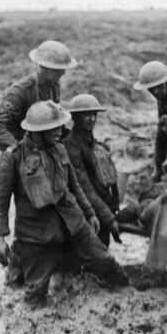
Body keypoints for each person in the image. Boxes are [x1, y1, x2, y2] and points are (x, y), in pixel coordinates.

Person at [0, 100, 128, 307]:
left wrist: (90, 214)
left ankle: (128, 298)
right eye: (53, 128)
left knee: (107, 264)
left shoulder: (60, 149)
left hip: (74, 225)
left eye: (59, 126)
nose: (60, 131)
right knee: (35, 297)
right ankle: (19, 269)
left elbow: (75, 186)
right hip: (37, 236)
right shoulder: (12, 159)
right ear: (37, 132)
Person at [0, 40, 77, 151]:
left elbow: (55, 121)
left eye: (63, 69)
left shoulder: (53, 86)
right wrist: (19, 151)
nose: (63, 73)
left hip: (45, 149)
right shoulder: (20, 92)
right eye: (57, 69)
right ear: (42, 66)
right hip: (23, 153)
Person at [61, 94, 122, 247]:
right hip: (86, 213)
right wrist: (108, 217)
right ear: (74, 117)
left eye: (94, 114)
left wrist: (114, 209)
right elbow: (83, 186)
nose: (92, 119)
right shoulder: (71, 146)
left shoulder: (96, 145)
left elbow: (110, 182)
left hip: (101, 208)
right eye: (86, 114)